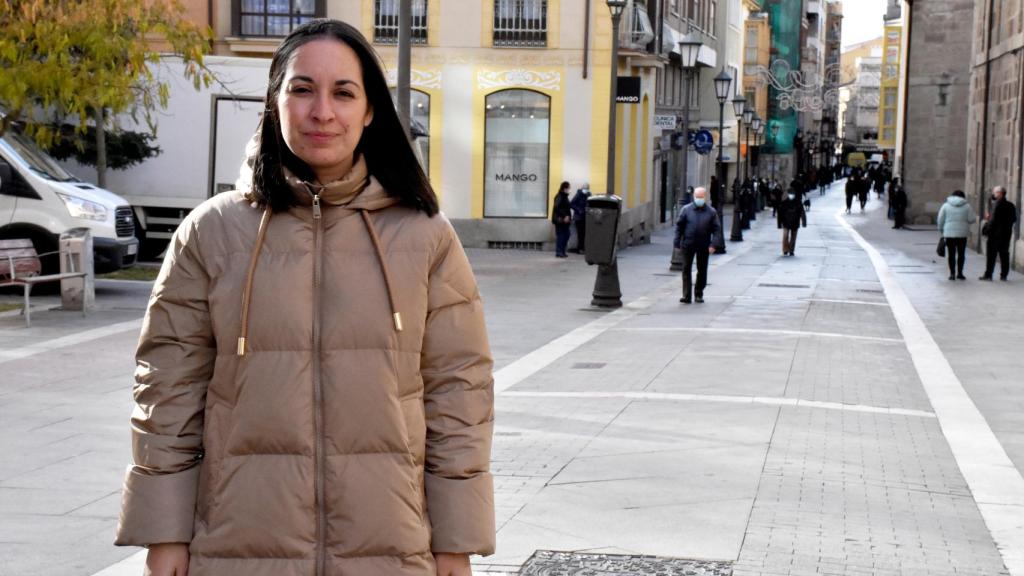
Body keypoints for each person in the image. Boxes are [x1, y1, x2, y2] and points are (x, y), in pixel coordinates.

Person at [115, 20, 495, 576]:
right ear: (274, 101)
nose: (323, 112)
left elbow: (460, 392)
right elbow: (167, 389)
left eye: (344, 92)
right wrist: (164, 533)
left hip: (390, 546)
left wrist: (455, 541)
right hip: (238, 548)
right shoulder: (211, 233)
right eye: (301, 89)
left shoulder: (425, 236)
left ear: (370, 112)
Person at [673, 186, 721, 304]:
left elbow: (717, 230)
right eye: (697, 197)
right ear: (694, 196)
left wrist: (713, 245)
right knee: (686, 269)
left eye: (701, 197)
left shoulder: (711, 212)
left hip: (704, 245)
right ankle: (686, 295)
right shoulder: (686, 209)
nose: (698, 199)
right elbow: (679, 226)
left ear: (705, 197)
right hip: (688, 244)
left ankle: (699, 293)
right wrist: (677, 241)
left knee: (702, 270)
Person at [980, 185, 1018, 281]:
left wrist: (986, 229)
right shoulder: (1011, 205)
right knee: (1004, 255)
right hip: (1006, 234)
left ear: (1000, 194)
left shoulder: (996, 205)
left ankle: (988, 274)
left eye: (995, 192)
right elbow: (1014, 219)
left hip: (994, 234)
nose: (993, 194)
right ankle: (1004, 275)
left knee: (991, 256)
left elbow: (992, 221)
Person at [937, 190, 977, 281]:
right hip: (962, 234)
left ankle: (952, 274)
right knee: (961, 254)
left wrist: (942, 230)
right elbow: (972, 219)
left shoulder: (946, 206)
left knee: (951, 254)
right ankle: (960, 273)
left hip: (949, 233)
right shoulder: (967, 206)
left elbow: (940, 220)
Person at [777, 186, 808, 256]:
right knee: (785, 236)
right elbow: (780, 214)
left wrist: (804, 222)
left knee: (793, 237)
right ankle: (785, 249)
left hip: (795, 222)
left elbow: (802, 212)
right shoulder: (784, 203)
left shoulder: (798, 203)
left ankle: (791, 250)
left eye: (792, 194)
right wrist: (779, 223)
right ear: (788, 194)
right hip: (786, 222)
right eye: (790, 194)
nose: (791, 195)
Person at [552, 180, 572, 258]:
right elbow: (557, 207)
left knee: (566, 235)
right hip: (560, 220)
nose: (569, 189)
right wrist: (565, 216)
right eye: (569, 188)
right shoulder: (559, 196)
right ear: (564, 188)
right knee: (561, 235)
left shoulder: (564, 196)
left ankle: (562, 251)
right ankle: (559, 252)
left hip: (565, 220)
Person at [569, 183, 591, 253]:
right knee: (580, 233)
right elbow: (571, 204)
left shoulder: (588, 194)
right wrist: (579, 210)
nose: (586, 190)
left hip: (586, 217)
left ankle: (582, 248)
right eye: (585, 188)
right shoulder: (578, 194)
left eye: (587, 188)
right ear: (582, 188)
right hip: (579, 217)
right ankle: (580, 248)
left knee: (584, 233)